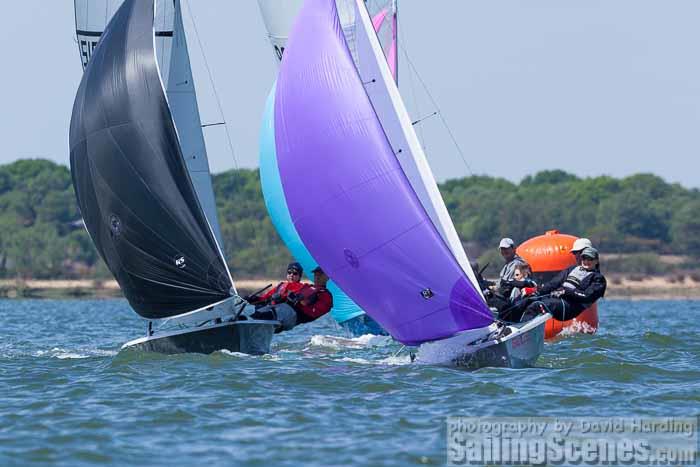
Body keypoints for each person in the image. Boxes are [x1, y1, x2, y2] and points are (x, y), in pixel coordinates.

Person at [514, 247, 607, 322]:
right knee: (527, 301)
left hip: (571, 307)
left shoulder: (598, 279)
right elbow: (553, 284)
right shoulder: (572, 269)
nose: (586, 261)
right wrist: (536, 292)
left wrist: (566, 291)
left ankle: (521, 331)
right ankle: (509, 326)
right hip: (558, 300)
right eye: (584, 258)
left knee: (538, 305)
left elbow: (587, 296)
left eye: (590, 259)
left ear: (596, 261)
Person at [248, 266, 334, 332]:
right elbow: (268, 298)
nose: (317, 276)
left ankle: (250, 326)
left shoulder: (326, 296)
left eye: (320, 274)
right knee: (255, 313)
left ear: (327, 277)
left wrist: (300, 301)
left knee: (265, 315)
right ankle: (242, 323)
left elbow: (313, 312)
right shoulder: (306, 287)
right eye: (316, 274)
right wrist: (253, 299)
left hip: (292, 315)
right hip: (280, 309)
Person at [486, 238, 526, 311]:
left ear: (514, 248)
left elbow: (506, 286)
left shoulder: (517, 264)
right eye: (502, 249)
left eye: (506, 248)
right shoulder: (508, 265)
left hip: (511, 302)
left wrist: (494, 290)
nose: (504, 251)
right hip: (505, 297)